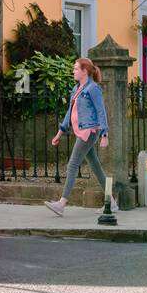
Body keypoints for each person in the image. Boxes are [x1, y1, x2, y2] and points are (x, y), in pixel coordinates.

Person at [44, 57, 114, 216]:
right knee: (95, 166)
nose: (73, 71)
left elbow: (101, 111)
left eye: (76, 69)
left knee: (72, 164)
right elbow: (70, 113)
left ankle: (62, 203)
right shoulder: (76, 89)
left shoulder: (93, 89)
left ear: (85, 71)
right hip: (81, 131)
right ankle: (112, 202)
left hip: (89, 132)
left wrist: (104, 134)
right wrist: (60, 132)